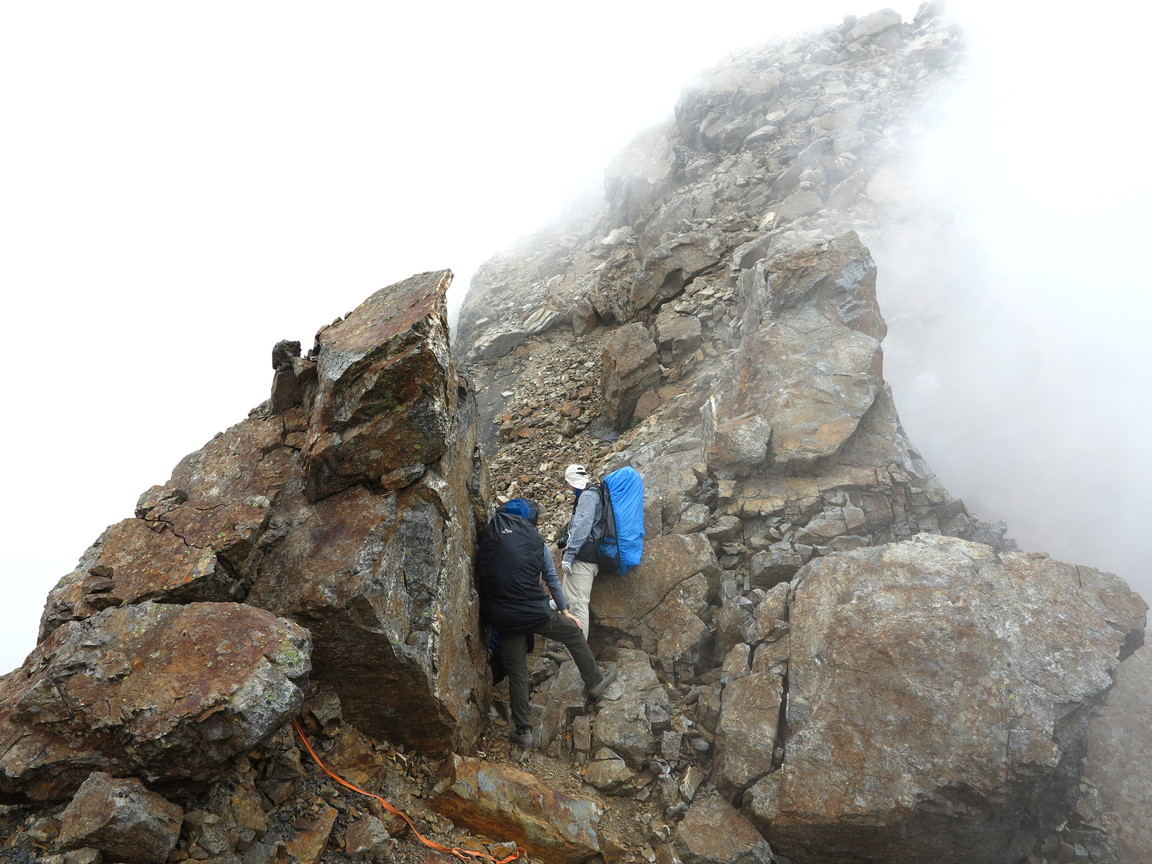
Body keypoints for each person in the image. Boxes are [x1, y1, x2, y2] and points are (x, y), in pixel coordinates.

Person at [476, 498, 617, 747]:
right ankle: (594, 682)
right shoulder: (536, 543)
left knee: (517, 671)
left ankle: (524, 730)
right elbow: (551, 579)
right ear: (530, 520)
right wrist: (564, 611)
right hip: (534, 614)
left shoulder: (489, 538)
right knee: (573, 632)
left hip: (503, 619)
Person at [558, 464, 602, 634]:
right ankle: (571, 649)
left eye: (567, 483)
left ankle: (575, 656)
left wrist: (569, 554)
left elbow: (583, 525)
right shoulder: (591, 493)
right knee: (571, 602)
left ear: (571, 481)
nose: (567, 487)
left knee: (577, 604)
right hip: (585, 555)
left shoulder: (588, 496)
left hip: (583, 557)